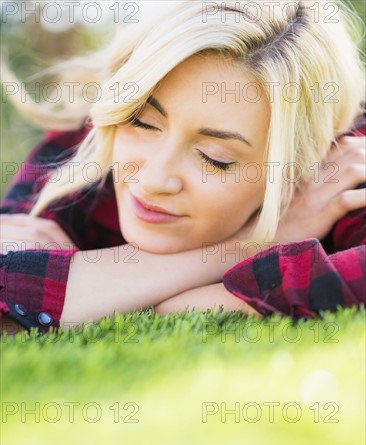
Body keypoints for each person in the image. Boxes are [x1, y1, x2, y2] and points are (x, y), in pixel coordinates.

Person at [0, 0, 365, 336]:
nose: (153, 179)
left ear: (297, 170)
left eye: (214, 157)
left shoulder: (345, 168)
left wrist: (104, 282)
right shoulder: (90, 143)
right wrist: (250, 244)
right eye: (143, 123)